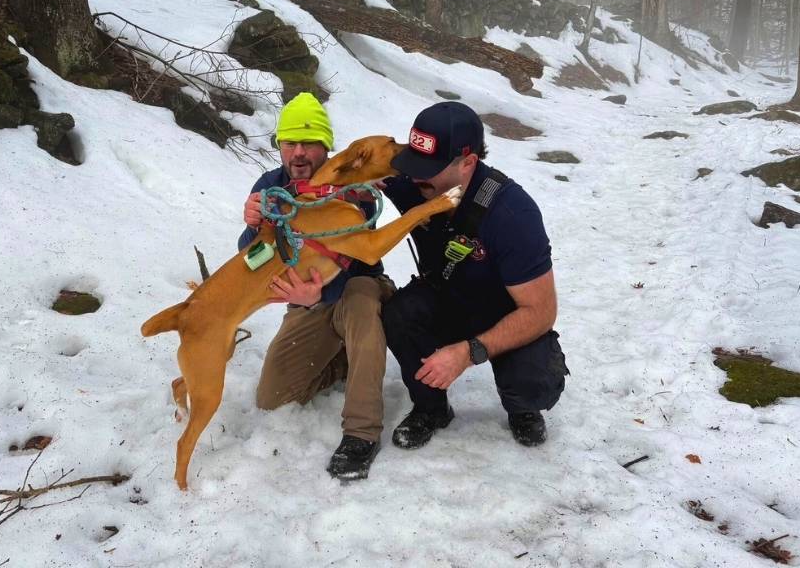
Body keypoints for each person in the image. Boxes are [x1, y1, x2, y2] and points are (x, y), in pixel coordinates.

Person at [381, 101, 568, 450]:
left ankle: (521, 408)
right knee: (399, 314)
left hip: (507, 314)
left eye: (429, 168)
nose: (415, 176)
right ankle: (431, 407)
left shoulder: (513, 213)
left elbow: (541, 312)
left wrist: (469, 352)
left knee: (533, 383)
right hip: (447, 299)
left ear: (468, 163)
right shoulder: (417, 183)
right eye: (413, 164)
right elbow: (344, 173)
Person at [238, 92, 394, 480]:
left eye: (310, 143)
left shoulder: (351, 187)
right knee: (272, 400)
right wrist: (252, 227)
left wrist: (318, 296)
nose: (299, 153)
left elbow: (358, 255)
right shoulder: (271, 185)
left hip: (356, 286)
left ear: (326, 147)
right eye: (289, 143)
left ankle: (361, 433)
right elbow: (252, 258)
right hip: (306, 302)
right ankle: (345, 361)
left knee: (359, 305)